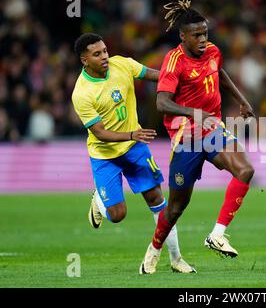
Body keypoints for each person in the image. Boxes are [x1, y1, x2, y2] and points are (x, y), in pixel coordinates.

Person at [139, 0, 256, 274]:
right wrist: (194, 113)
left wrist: (241, 99)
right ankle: (154, 250)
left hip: (213, 129)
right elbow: (162, 103)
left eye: (205, 33)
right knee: (178, 206)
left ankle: (217, 234)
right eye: (197, 35)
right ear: (183, 36)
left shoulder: (213, 51)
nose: (203, 39)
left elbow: (220, 74)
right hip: (187, 136)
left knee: (245, 170)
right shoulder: (174, 61)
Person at [71, 33, 195, 274]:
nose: (104, 56)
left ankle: (176, 258)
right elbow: (99, 133)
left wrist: (180, 82)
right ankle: (99, 198)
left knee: (157, 200)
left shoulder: (122, 64)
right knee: (117, 215)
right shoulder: (82, 93)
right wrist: (131, 135)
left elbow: (154, 76)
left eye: (105, 50)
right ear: (84, 60)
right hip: (105, 154)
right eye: (97, 54)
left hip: (135, 148)